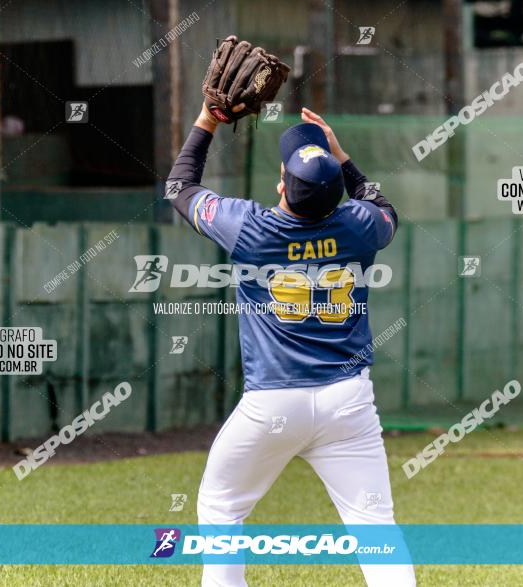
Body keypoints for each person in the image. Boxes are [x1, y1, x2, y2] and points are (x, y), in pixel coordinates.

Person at [165, 103, 415, 586]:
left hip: (273, 402)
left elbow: (179, 187)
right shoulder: (359, 226)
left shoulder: (250, 228)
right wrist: (342, 157)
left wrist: (207, 120)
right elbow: (384, 207)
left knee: (221, 507)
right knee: (375, 530)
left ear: (282, 185)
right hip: (348, 403)